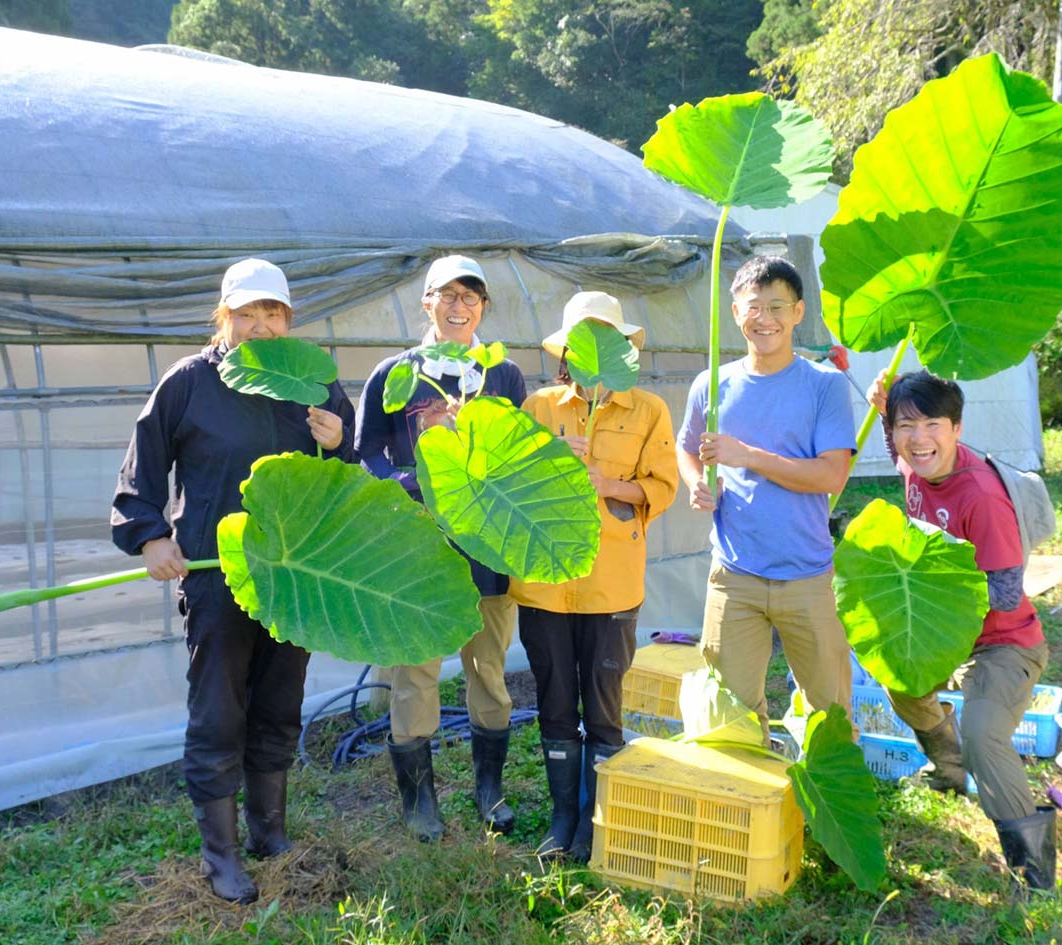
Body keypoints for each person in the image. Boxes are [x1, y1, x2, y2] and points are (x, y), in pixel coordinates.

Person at [112, 258, 356, 904]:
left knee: (279, 703)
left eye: (272, 312)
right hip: (218, 574)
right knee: (219, 711)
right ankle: (219, 853)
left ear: (288, 319)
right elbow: (141, 473)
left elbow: (345, 486)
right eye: (247, 312)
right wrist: (151, 535)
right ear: (225, 316)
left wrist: (337, 445)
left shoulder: (312, 384)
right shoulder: (189, 382)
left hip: (295, 576)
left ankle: (267, 831)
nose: (261, 324)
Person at [355, 255, 527, 842]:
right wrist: (416, 480)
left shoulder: (502, 374)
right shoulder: (393, 374)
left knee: (490, 670)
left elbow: (518, 454)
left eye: (470, 298)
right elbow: (368, 455)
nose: (459, 307)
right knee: (414, 673)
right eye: (447, 296)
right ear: (425, 303)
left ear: (483, 308)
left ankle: (489, 791)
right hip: (421, 550)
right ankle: (420, 805)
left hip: (487, 546)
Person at [866, 369, 1055, 895]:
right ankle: (949, 770)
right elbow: (898, 441)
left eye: (932, 425)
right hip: (947, 630)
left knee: (984, 736)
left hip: (1004, 642)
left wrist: (936, 620)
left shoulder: (980, 496)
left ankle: (1033, 874)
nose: (918, 438)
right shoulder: (914, 462)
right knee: (898, 678)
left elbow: (1006, 594)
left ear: (956, 427)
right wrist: (883, 407)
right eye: (907, 426)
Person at [510, 291, 679, 861]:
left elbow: (662, 487)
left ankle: (596, 817)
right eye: (584, 344)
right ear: (567, 353)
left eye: (607, 342)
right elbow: (510, 487)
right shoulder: (539, 407)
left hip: (612, 581)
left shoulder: (648, 409)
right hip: (545, 584)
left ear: (623, 350)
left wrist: (606, 483)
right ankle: (562, 818)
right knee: (556, 703)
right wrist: (553, 464)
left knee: (603, 706)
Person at [676, 255, 856, 738]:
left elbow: (831, 476)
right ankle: (754, 803)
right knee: (730, 715)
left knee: (830, 713)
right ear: (736, 312)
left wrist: (748, 455)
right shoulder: (712, 383)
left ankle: (823, 807)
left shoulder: (825, 385)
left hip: (807, 576)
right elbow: (687, 447)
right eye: (754, 307)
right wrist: (696, 480)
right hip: (734, 575)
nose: (766, 319)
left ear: (798, 313)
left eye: (778, 307)